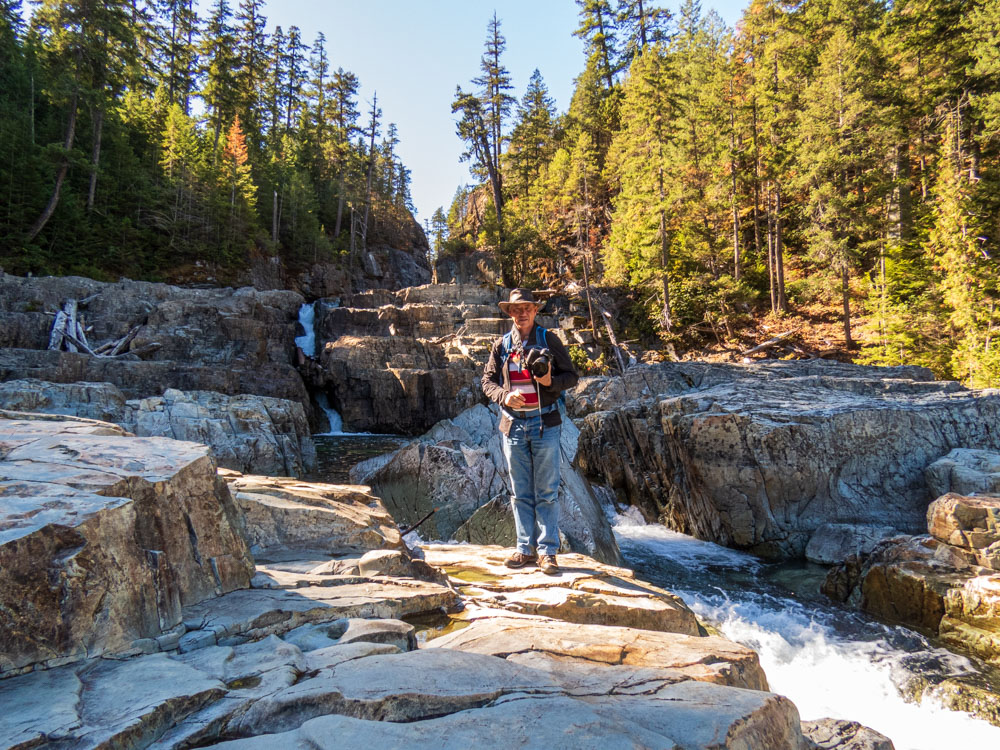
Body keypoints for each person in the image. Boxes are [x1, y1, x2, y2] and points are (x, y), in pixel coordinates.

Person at [481, 288, 579, 575]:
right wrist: (504, 396)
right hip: (513, 425)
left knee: (547, 491)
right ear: (510, 313)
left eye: (527, 308)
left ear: (535, 311)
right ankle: (524, 549)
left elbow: (571, 377)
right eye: (516, 309)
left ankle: (548, 552)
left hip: (544, 423)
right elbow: (487, 382)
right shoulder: (501, 345)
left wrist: (549, 381)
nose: (521, 313)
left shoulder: (549, 339)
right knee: (520, 491)